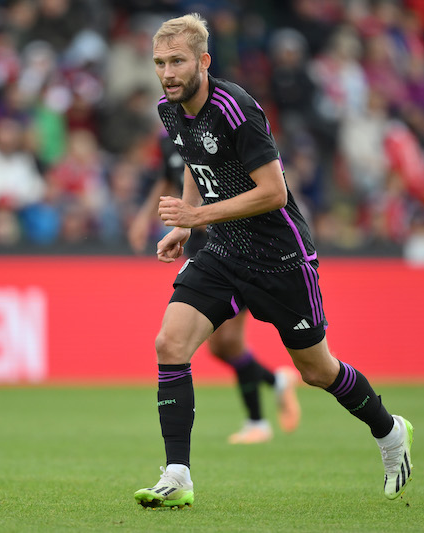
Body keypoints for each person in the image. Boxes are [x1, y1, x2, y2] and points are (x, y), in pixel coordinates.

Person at [133, 13, 413, 509]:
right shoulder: (169, 109)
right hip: (222, 250)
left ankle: (389, 432)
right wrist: (185, 224)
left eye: (177, 61)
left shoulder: (236, 108)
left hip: (280, 257)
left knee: (317, 371)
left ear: (203, 61)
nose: (167, 72)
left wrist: (196, 215)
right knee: (169, 343)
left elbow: (274, 193)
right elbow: (198, 165)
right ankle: (177, 475)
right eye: (159, 63)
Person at [128, 131, 301, 444]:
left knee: (227, 342)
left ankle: (257, 421)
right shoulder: (172, 138)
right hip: (202, 251)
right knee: (223, 347)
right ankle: (275, 383)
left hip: (236, 251)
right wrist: (144, 217)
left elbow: (256, 184)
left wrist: (206, 216)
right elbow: (168, 180)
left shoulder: (222, 129)